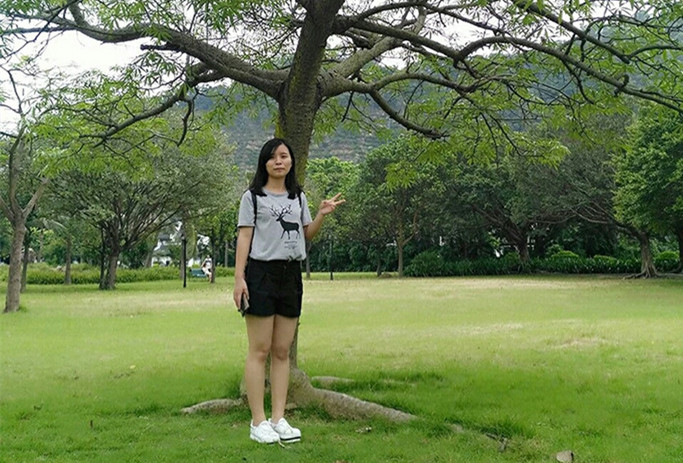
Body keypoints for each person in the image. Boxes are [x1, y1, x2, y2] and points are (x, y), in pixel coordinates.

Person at [232, 138, 344, 444]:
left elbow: (306, 235)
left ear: (291, 161)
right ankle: (258, 422)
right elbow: (245, 238)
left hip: (291, 275)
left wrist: (321, 214)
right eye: (272, 157)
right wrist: (239, 278)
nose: (278, 161)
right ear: (264, 163)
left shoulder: (298, 197)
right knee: (259, 350)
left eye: (283, 156)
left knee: (282, 351)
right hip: (261, 273)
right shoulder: (252, 197)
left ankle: (278, 419)